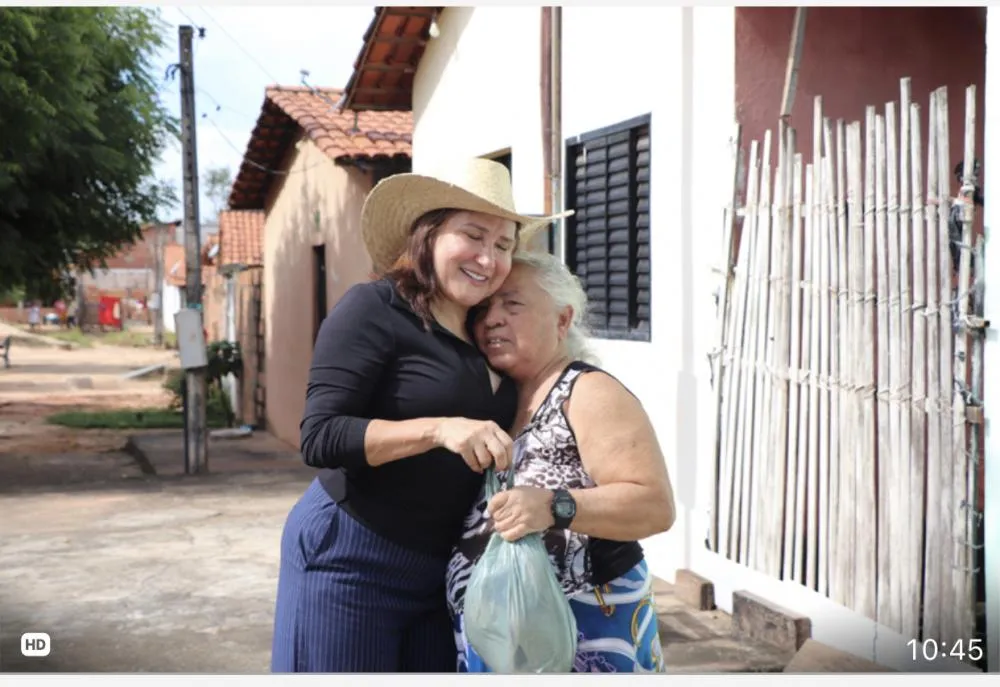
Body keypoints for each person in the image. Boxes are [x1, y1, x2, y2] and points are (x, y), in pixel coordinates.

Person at [270, 158, 570, 673]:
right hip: (350, 552)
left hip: (440, 569)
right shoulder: (374, 308)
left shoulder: (486, 330)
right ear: (427, 235)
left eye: (503, 244)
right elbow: (319, 436)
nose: (488, 258)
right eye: (473, 235)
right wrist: (439, 429)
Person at [446, 250, 677, 673]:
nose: (492, 319)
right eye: (483, 308)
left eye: (512, 304)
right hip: (506, 645)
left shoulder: (588, 393)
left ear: (563, 319)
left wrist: (554, 506)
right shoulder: (505, 400)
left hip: (585, 636)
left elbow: (654, 506)